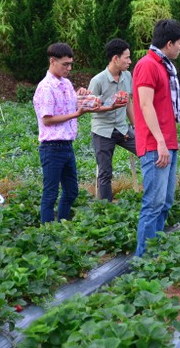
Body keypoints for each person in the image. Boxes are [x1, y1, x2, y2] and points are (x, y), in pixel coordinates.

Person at [133, 19, 180, 256]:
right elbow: (144, 105)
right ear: (169, 43)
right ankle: (143, 257)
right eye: (179, 44)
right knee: (153, 204)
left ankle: (156, 250)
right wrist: (161, 142)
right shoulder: (148, 65)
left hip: (167, 142)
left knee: (165, 202)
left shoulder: (164, 66)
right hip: (156, 144)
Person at [34, 42, 98, 223]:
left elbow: (72, 105)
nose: (69, 68)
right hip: (51, 147)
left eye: (70, 64)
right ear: (52, 61)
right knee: (50, 193)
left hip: (67, 146)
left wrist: (82, 96)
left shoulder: (66, 84)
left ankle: (62, 225)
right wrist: (76, 114)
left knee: (71, 191)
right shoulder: (46, 87)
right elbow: (47, 119)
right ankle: (48, 232)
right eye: (65, 64)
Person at [88, 38, 136, 202]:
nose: (130, 61)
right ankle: (105, 208)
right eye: (127, 58)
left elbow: (129, 102)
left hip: (122, 129)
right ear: (115, 58)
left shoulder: (127, 76)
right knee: (105, 171)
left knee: (147, 151)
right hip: (103, 130)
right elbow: (89, 107)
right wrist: (109, 107)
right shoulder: (97, 80)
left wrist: (136, 126)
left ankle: (148, 197)